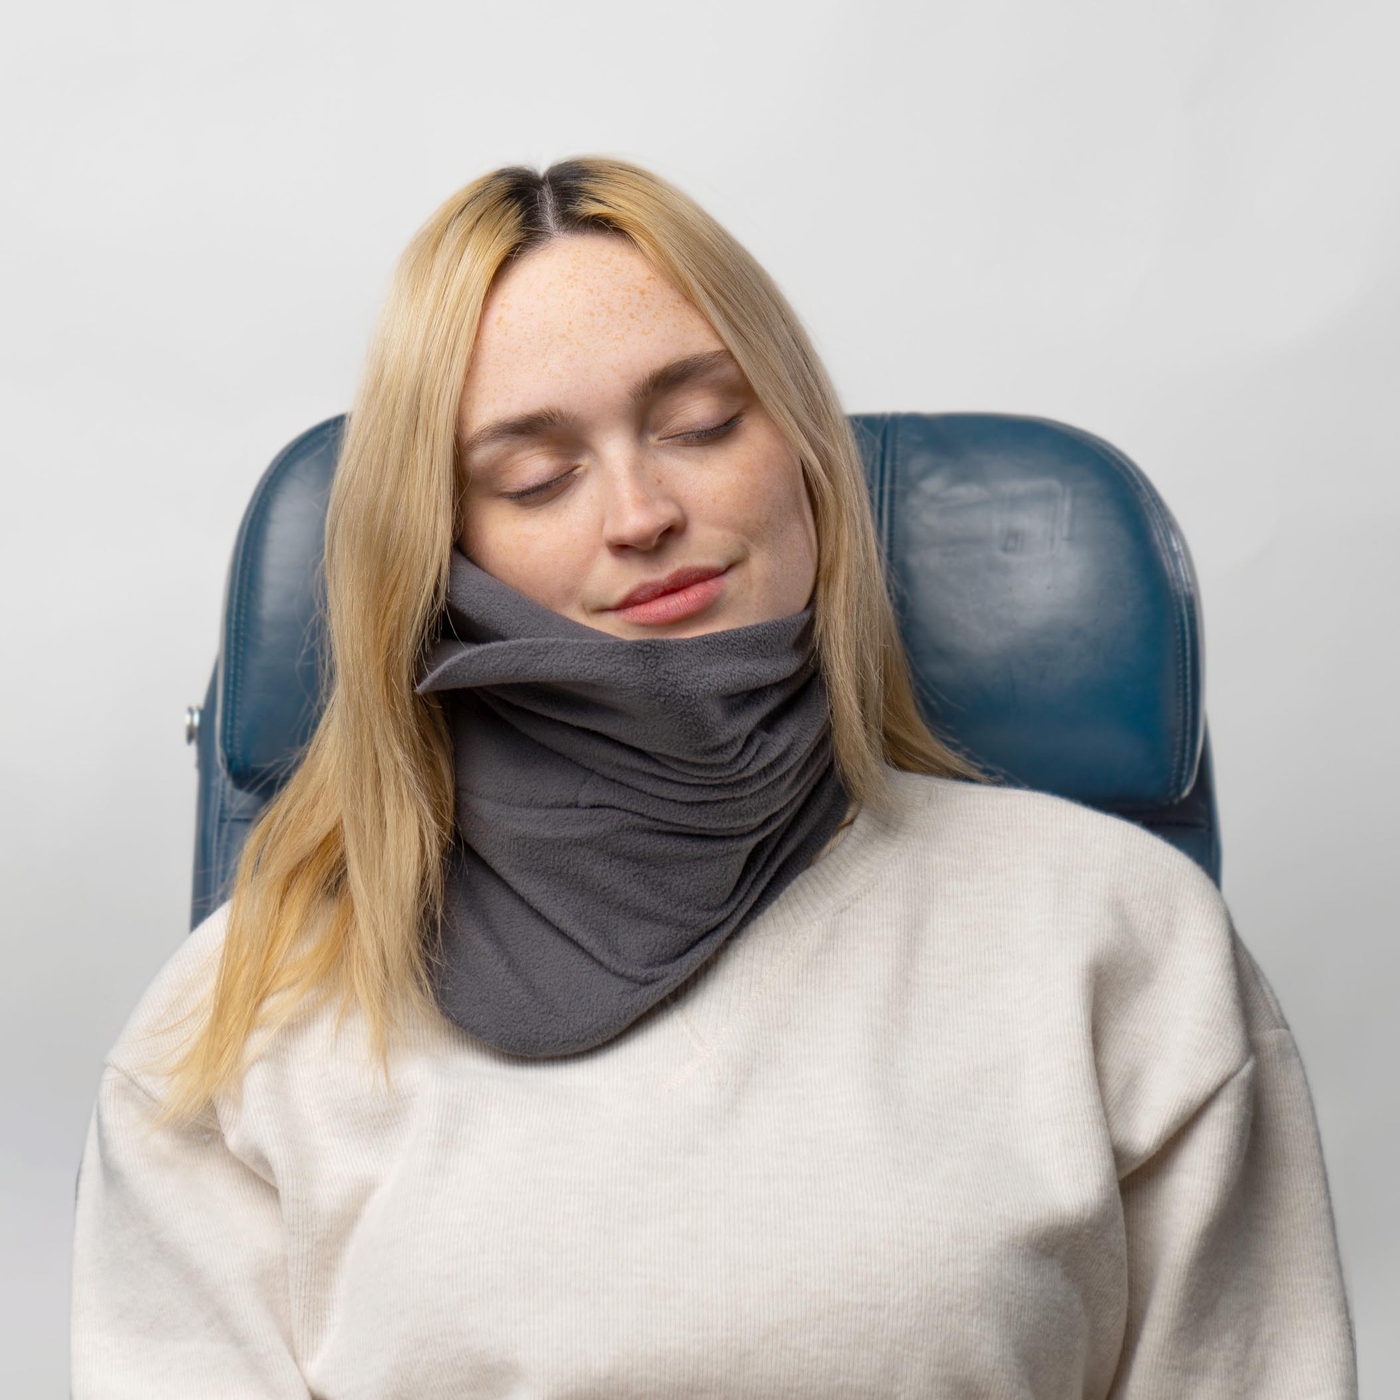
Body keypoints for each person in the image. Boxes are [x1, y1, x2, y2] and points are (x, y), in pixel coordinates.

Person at [70, 158, 1358, 1398]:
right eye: (534, 478)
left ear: (803, 448)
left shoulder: (1121, 936)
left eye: (700, 424)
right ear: (442, 557)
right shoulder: (238, 1025)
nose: (640, 514)